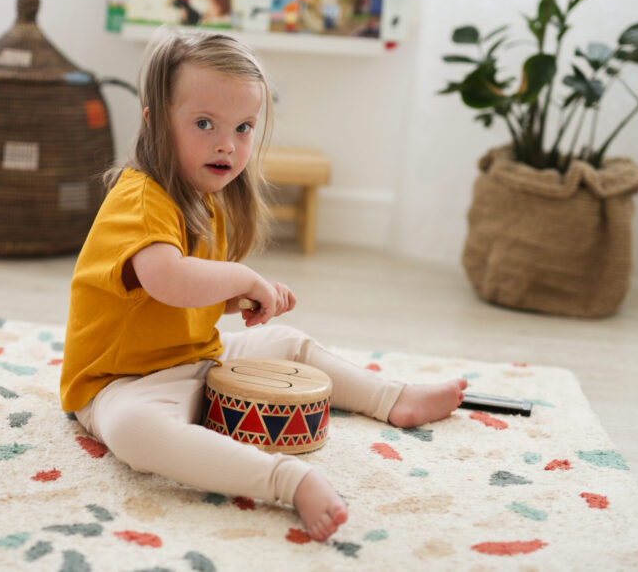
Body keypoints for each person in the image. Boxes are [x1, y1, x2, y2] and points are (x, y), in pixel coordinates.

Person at [59, 27, 467, 542]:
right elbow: (167, 280)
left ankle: (392, 398)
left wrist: (238, 297)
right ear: (155, 122)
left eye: (244, 128)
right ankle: (286, 480)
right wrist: (243, 276)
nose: (226, 144)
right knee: (137, 436)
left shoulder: (208, 196)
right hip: (118, 383)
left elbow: (190, 295)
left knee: (287, 344)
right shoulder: (140, 197)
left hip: (194, 359)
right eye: (204, 123)